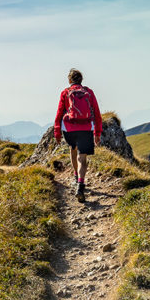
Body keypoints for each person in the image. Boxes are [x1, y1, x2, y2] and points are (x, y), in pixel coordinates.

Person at [53, 68, 102, 202]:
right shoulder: (89, 92)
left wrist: (57, 131)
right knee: (82, 158)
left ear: (69, 80)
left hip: (69, 129)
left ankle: (75, 175)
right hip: (86, 127)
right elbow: (97, 113)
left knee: (73, 150)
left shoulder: (65, 92)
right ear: (81, 80)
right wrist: (97, 133)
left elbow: (59, 113)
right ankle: (80, 184)